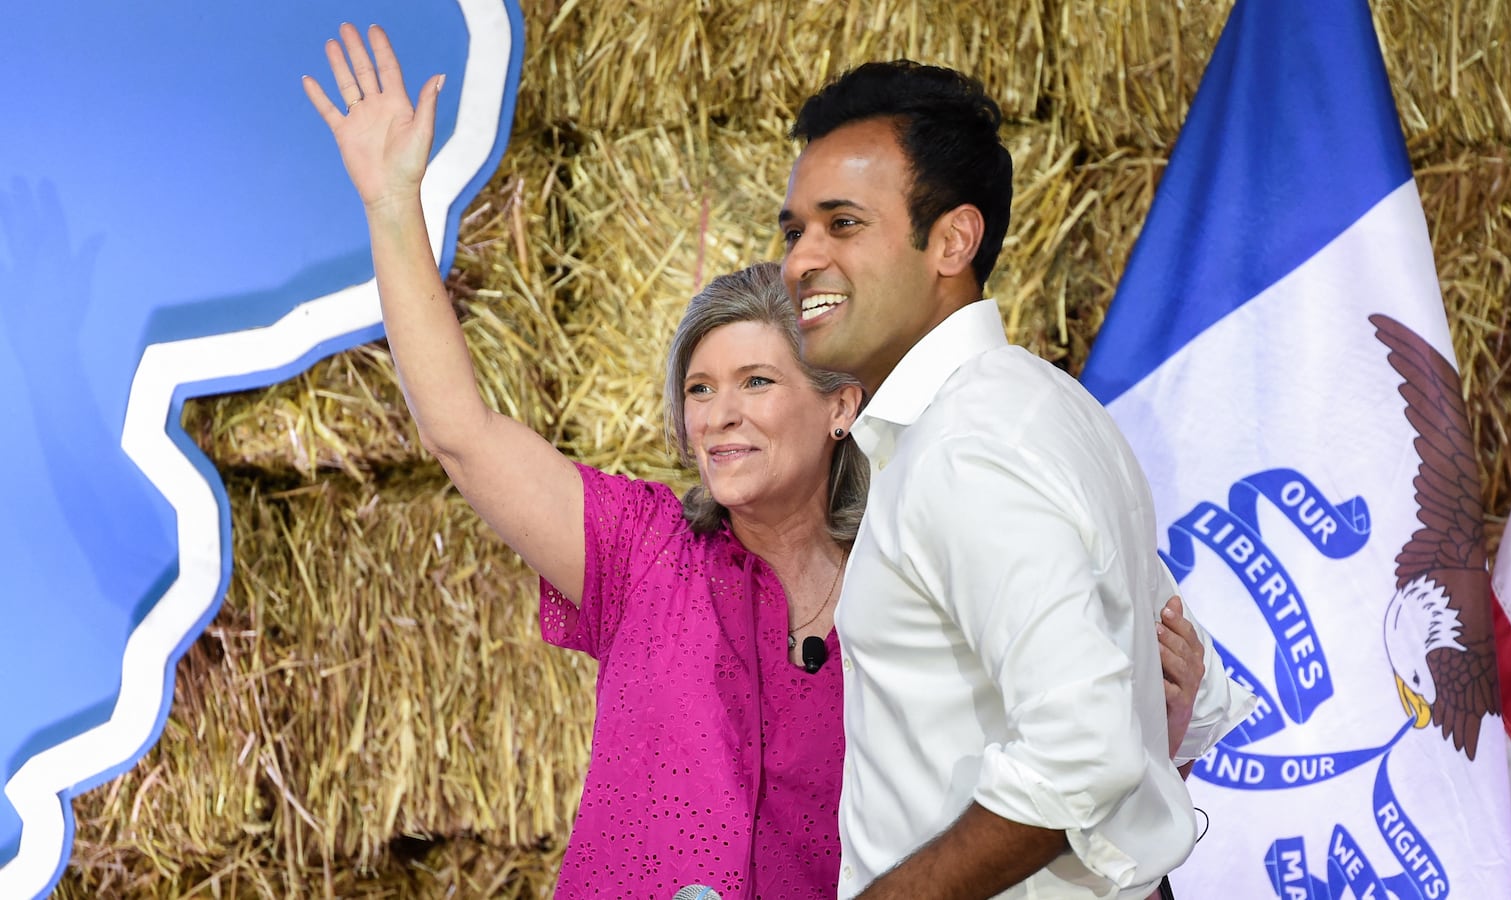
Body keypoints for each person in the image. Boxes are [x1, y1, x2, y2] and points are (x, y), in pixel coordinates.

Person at [304, 24, 1222, 899]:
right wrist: (393, 205)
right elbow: (461, 431)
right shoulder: (643, 555)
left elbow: (1076, 743)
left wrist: (1153, 737)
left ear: (839, 404)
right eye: (698, 389)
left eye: (755, 381)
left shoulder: (939, 510)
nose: (720, 416)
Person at [779, 61, 1254, 899]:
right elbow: (1194, 684)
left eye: (842, 224)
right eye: (794, 232)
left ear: (953, 242)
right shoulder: (1043, 408)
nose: (800, 261)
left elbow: (1087, 749)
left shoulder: (969, 447)